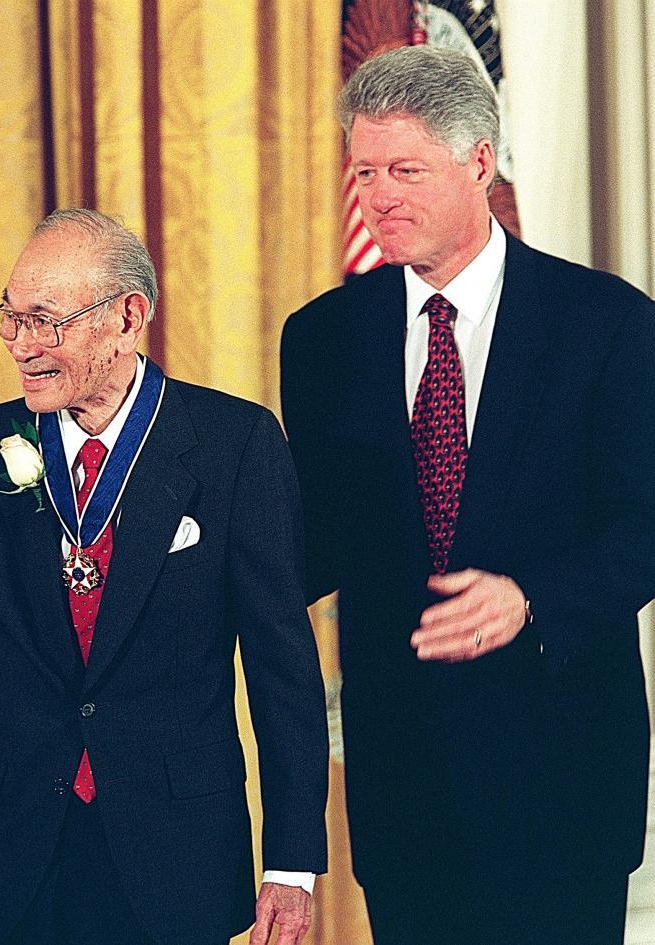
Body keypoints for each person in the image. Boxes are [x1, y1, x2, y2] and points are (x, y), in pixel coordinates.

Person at [281, 45, 655, 945]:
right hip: (402, 781)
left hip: (563, 773)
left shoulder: (606, 323)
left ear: (480, 161)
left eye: (405, 169)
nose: (378, 196)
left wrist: (530, 598)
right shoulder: (324, 337)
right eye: (363, 171)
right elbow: (317, 541)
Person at [0, 208, 328, 945]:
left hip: (175, 852)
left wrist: (291, 864)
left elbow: (281, 670)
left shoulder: (237, 444)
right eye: (10, 318)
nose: (21, 345)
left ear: (127, 316)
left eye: (45, 321)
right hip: (8, 850)